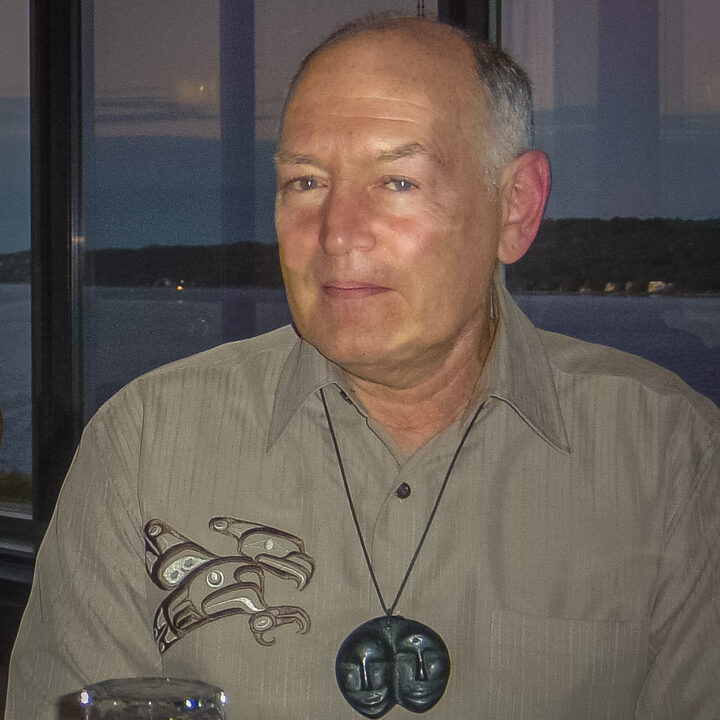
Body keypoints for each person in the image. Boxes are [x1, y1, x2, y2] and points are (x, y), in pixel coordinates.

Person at [6, 13, 720, 720]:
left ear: (516, 207)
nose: (338, 234)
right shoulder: (145, 445)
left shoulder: (666, 455)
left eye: (397, 181)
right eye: (305, 182)